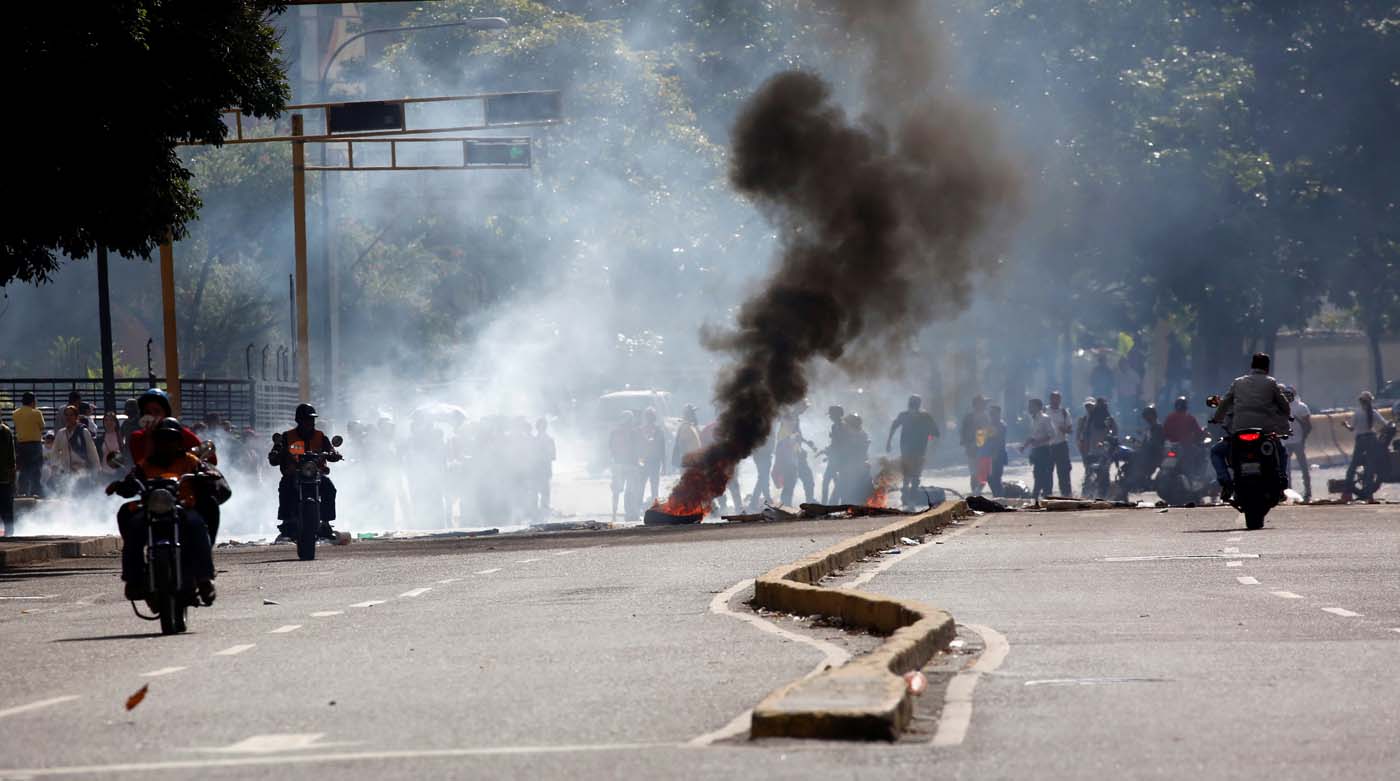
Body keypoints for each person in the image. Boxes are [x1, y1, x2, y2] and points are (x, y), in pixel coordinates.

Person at [106, 417, 218, 604]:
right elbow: (131, 482)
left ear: (178, 441)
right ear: (155, 442)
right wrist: (121, 485)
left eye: (171, 439)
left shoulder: (190, 461)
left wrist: (208, 476)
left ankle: (204, 579)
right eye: (162, 439)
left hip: (181, 508)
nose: (166, 444)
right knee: (131, 523)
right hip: (152, 511)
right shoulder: (145, 465)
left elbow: (206, 474)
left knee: (197, 526)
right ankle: (133, 579)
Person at [1207, 353, 1291, 502]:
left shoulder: (1238, 383)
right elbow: (1284, 406)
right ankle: (1282, 483)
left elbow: (1224, 403)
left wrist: (1216, 419)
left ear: (1252, 367)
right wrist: (1284, 416)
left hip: (1239, 430)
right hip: (1264, 431)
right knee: (1282, 452)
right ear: (1267, 367)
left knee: (1216, 452)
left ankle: (1225, 482)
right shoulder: (1271, 383)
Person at [268, 403, 342, 540]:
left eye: (312, 419)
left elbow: (331, 449)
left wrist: (334, 454)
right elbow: (274, 455)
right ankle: (287, 521)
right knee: (285, 486)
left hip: (315, 474)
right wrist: (277, 453)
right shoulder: (287, 436)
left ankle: (326, 523)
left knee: (330, 488)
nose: (309, 422)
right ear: (298, 421)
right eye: (306, 419)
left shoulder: (320, 436)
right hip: (294, 474)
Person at [886, 395, 940, 509]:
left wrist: (889, 442)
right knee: (915, 477)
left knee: (908, 476)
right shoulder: (925, 416)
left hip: (907, 451)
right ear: (919, 404)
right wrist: (929, 433)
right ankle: (911, 500)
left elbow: (893, 427)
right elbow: (936, 433)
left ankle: (906, 496)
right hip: (919, 451)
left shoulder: (905, 415)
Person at [1342, 390, 1391, 497]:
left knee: (1353, 465)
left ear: (1360, 401)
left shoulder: (1357, 413)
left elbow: (1351, 428)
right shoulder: (1373, 412)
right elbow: (1386, 424)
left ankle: (1347, 492)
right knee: (1370, 466)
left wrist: (1345, 424)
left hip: (1360, 440)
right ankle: (1369, 495)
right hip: (1371, 439)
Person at [52, 405, 100, 489]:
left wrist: (96, 470)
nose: (68, 417)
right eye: (66, 415)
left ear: (76, 416)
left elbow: (92, 451)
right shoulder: (61, 433)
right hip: (67, 472)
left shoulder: (83, 432)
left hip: (82, 472)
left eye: (71, 415)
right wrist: (55, 466)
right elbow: (54, 451)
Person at [609, 410, 642, 522]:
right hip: (631, 465)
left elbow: (610, 448)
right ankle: (630, 514)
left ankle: (614, 514)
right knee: (630, 491)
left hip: (618, 464)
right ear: (630, 420)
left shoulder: (614, 432)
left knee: (616, 491)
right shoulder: (634, 432)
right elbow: (637, 449)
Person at [1020, 398, 1055, 500]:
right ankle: (1038, 496)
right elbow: (1032, 436)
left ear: (1038, 407)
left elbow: (1052, 434)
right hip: (1036, 450)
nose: (1029, 408)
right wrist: (1024, 446)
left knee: (1043, 474)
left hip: (1044, 450)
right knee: (1037, 473)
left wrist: (1039, 441)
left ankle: (1040, 495)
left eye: (1031, 406)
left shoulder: (1045, 418)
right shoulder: (1033, 419)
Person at [13, 392, 45, 498]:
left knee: (23, 469)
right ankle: (36, 491)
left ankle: (23, 491)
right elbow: (42, 427)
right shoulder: (37, 413)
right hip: (35, 444)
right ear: (33, 401)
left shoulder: (15, 413)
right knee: (36, 469)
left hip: (21, 444)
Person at [1282, 386, 1312, 502]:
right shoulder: (1282, 407)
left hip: (1297, 442)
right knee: (1286, 470)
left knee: (1303, 468)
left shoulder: (1301, 407)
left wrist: (1303, 439)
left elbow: (1308, 426)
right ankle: (1288, 492)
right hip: (1287, 442)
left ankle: (1308, 493)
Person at [836, 413, 873, 505]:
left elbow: (861, 450)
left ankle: (859, 504)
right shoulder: (846, 434)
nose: (845, 425)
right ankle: (847, 505)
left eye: (847, 423)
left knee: (860, 487)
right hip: (849, 465)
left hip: (856, 465)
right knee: (844, 487)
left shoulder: (861, 435)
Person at [1044, 391, 1073, 497]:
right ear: (1050, 399)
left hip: (1061, 445)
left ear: (1060, 400)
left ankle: (1066, 495)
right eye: (1053, 398)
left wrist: (1064, 429)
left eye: (1057, 399)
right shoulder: (1044, 411)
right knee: (1047, 472)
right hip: (1048, 446)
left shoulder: (1064, 412)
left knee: (1064, 472)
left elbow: (1070, 430)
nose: (1055, 401)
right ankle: (1047, 495)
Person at [960, 396, 990, 495]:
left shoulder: (982, 416)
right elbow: (966, 433)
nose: (985, 405)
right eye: (983, 403)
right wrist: (972, 444)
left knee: (981, 473)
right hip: (976, 449)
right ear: (977, 405)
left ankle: (976, 491)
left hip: (979, 448)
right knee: (976, 473)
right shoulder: (976, 417)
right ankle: (975, 492)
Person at [640, 407, 667, 505]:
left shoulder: (642, 430)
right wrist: (664, 465)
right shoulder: (658, 430)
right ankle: (654, 505)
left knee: (643, 485)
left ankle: (640, 505)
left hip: (647, 462)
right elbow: (662, 449)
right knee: (653, 486)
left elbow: (662, 449)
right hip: (653, 462)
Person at [821, 405, 846, 504]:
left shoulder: (841, 426)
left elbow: (840, 443)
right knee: (833, 482)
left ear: (837, 415)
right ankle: (832, 503)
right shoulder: (835, 426)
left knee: (830, 482)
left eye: (831, 414)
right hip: (834, 458)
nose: (830, 417)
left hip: (838, 459)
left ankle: (830, 503)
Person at [984, 404, 1008, 498]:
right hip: (989, 454)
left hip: (998, 455)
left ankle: (999, 496)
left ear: (998, 414)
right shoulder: (990, 425)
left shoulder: (1001, 425)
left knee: (996, 477)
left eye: (993, 413)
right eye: (991, 414)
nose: (991, 415)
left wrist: (995, 453)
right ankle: (997, 495)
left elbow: (999, 441)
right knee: (990, 478)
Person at [534, 417, 555, 517]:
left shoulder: (535, 440)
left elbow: (552, 456)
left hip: (541, 468)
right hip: (540, 468)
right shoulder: (548, 439)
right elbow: (553, 456)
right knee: (542, 491)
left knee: (541, 491)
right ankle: (541, 510)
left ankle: (541, 510)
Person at [750, 428, 774, 510]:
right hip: (761, 456)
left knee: (762, 478)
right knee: (763, 478)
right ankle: (766, 499)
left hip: (766, 456)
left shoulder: (768, 427)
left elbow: (771, 440)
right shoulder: (758, 427)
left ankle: (755, 502)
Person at [672, 405, 702, 470]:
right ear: (689, 415)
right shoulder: (685, 427)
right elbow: (682, 444)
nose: (694, 415)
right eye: (693, 413)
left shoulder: (691, 426)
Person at [0, 417, 15, 536]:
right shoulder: (6, 431)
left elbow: (11, 456)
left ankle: (9, 533)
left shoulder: (6, 432)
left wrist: (12, 475)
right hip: (5, 475)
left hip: (4, 476)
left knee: (6, 507)